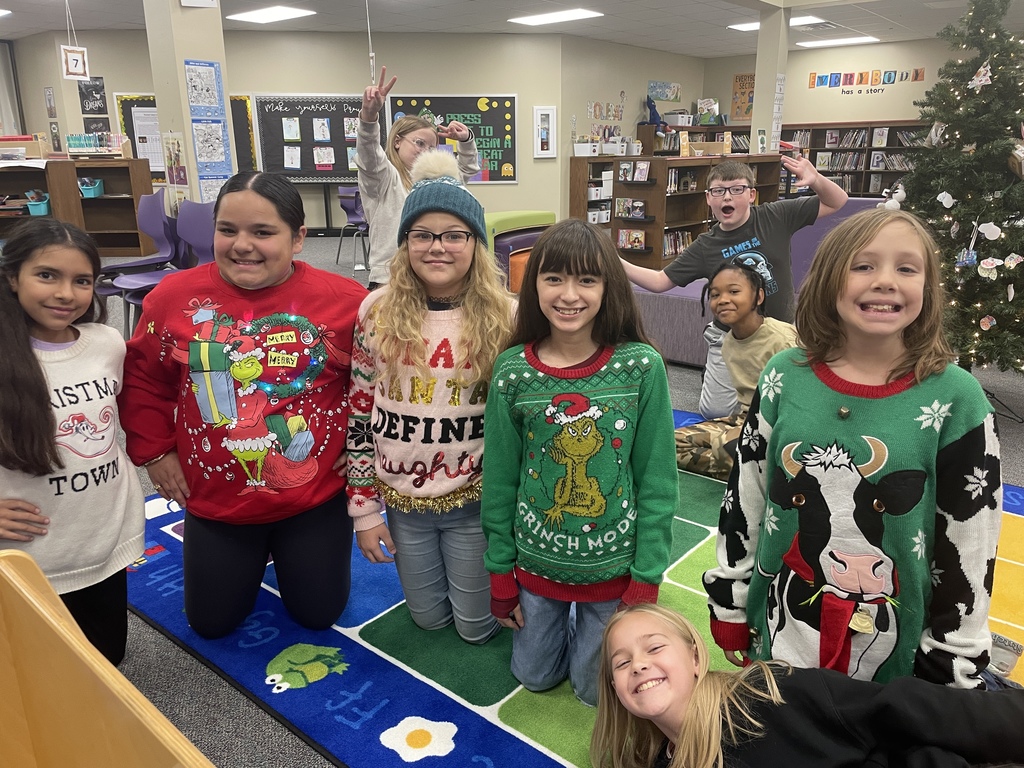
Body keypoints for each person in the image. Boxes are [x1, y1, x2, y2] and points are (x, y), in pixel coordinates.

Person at [702, 209, 1002, 689]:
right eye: (863, 266)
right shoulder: (782, 377)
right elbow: (747, 495)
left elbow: (971, 540)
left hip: (898, 650)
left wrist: (953, 652)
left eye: (907, 268)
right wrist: (731, 600)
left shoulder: (957, 399)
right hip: (785, 631)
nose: (885, 281)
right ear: (828, 280)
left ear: (928, 288)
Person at [119, 171, 367, 639]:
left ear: (298, 239)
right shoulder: (172, 299)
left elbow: (374, 385)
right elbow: (144, 380)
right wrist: (154, 452)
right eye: (227, 230)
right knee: (212, 624)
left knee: (318, 615)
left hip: (313, 497)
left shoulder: (348, 302)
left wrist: (362, 460)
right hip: (215, 500)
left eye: (263, 232)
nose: (242, 245)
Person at [481, 218, 678, 706]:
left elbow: (657, 478)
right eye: (554, 278)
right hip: (537, 562)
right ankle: (563, 624)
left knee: (595, 694)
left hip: (614, 566)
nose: (569, 294)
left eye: (587, 279)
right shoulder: (512, 372)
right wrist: (500, 573)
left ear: (608, 287)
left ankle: (590, 624)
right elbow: (500, 480)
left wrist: (647, 575)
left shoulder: (640, 366)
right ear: (533, 285)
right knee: (534, 677)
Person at [346, 150, 515, 644]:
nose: (437, 247)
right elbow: (358, 414)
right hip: (402, 502)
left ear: (476, 244)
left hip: (475, 505)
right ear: (404, 244)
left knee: (476, 627)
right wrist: (365, 511)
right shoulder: (375, 310)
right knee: (428, 620)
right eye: (422, 235)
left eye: (454, 235)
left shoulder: (509, 316)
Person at [591, 603, 1024, 768]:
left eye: (653, 647)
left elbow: (904, 708)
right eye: (622, 662)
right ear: (614, 688)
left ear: (694, 656)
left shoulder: (770, 694)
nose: (639, 666)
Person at [0, 218, 144, 665]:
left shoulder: (107, 343)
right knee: (41, 674)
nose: (66, 293)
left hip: (104, 536)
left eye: (82, 281)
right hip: (34, 551)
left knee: (106, 659)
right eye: (47, 275)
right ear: (12, 277)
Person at [620, 157, 848, 420]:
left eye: (736, 189)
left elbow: (836, 201)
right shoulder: (706, 245)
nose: (727, 197)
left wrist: (816, 179)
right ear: (709, 199)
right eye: (719, 191)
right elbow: (660, 282)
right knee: (715, 411)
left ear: (751, 194)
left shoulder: (776, 215)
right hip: (730, 337)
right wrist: (615, 262)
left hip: (780, 332)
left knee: (788, 406)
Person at [357, 66, 481, 289]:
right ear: (397, 141)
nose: (425, 151)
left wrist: (466, 141)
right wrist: (368, 117)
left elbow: (465, 172)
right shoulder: (385, 179)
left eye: (432, 147)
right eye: (419, 143)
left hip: (426, 277)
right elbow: (369, 155)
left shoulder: (433, 182)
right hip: (390, 279)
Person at [675, 258, 796, 480]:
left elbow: (799, 404)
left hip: (781, 427)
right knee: (673, 442)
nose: (723, 300)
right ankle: (746, 467)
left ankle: (747, 464)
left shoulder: (782, 340)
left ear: (758, 297)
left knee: (724, 447)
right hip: (745, 420)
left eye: (733, 291)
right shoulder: (729, 342)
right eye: (715, 295)